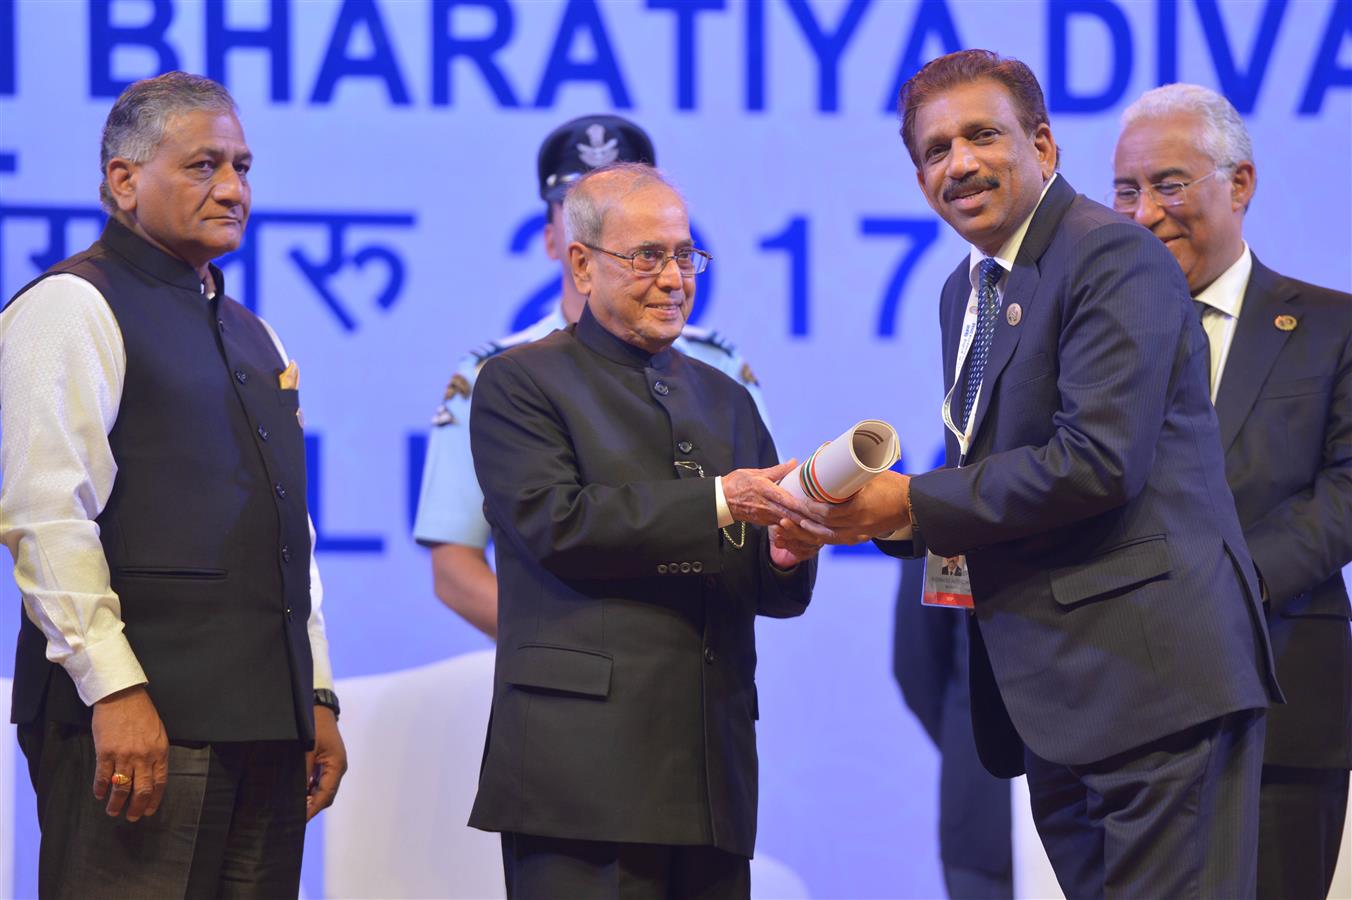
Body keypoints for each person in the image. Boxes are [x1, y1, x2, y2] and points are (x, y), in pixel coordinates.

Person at [779, 50, 1282, 898]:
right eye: (934, 151)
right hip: (1059, 699)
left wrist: (906, 504)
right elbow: (993, 466)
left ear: (1043, 146)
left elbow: (1096, 463)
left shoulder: (1111, 256)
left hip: (1156, 686)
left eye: (982, 135)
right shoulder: (966, 288)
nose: (959, 163)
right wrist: (865, 515)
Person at [0, 71, 347, 898]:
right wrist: (114, 689)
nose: (233, 189)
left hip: (265, 725)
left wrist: (318, 692)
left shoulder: (250, 330)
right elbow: (47, 513)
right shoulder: (72, 305)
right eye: (202, 166)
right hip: (137, 726)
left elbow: (285, 532)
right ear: (124, 182)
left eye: (243, 166)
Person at [467, 162, 819, 899]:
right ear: (581, 264)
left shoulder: (726, 399)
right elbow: (558, 524)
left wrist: (786, 554)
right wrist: (719, 502)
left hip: (709, 771)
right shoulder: (518, 383)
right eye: (647, 257)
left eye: (684, 256)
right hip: (581, 776)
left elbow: (765, 590)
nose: (673, 278)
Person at [1113, 83, 1352, 900]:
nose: (1146, 214)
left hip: (1285, 701)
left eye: (1170, 184)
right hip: (1128, 724)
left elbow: (1349, 490)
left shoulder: (1331, 326)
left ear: (1239, 184)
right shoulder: (1093, 346)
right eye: (1126, 191)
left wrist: (1229, 585)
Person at [413, 114, 769, 638]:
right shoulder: (500, 376)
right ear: (556, 240)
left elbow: (756, 540)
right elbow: (455, 566)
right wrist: (568, 649)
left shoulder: (718, 372)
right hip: (576, 692)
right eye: (578, 207)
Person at [893, 558, 1013, 900]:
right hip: (983, 813)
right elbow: (916, 666)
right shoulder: (940, 514)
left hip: (1093, 813)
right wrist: (980, 740)